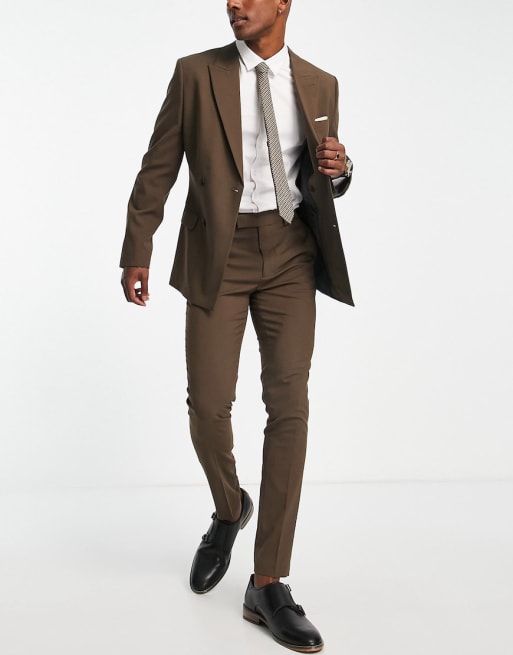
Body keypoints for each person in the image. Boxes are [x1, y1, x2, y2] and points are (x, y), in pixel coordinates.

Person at [120, 0, 353, 651]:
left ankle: (268, 581)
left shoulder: (320, 83)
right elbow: (158, 164)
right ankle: (229, 507)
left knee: (289, 405)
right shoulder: (195, 73)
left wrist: (342, 171)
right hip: (215, 255)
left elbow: (323, 178)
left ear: (283, 3)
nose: (234, 3)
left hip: (290, 252)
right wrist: (137, 247)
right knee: (208, 404)